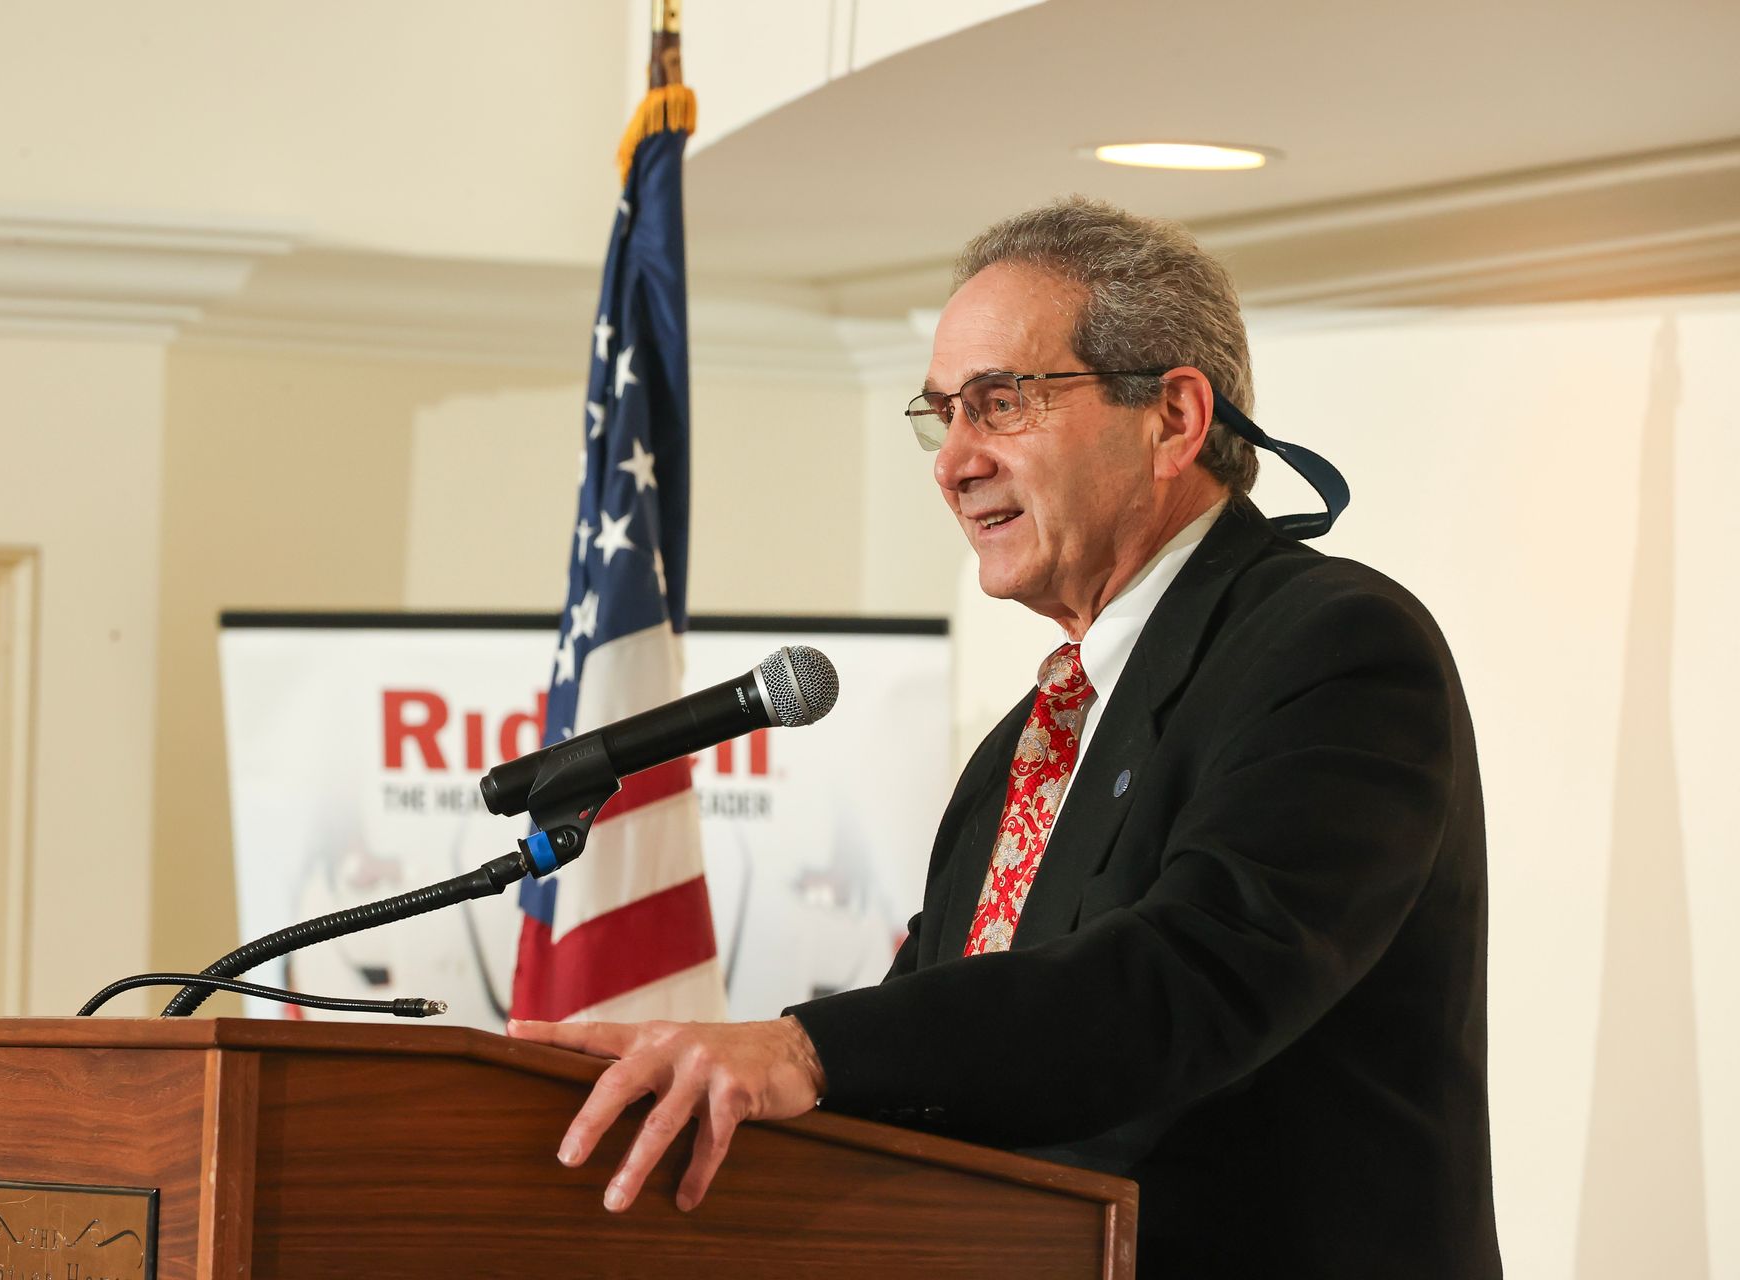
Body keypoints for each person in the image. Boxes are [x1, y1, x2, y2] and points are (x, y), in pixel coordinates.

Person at [509, 197, 1501, 1278]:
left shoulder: (1335, 646)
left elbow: (1188, 978)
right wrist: (717, 1084)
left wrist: (805, 1047)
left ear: (1173, 417)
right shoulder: (1027, 742)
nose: (953, 461)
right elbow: (945, 1049)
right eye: (943, 413)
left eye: (1000, 402)